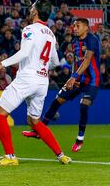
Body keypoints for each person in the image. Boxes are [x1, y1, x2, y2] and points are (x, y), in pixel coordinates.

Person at [0, 0, 71, 166]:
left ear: (36, 11)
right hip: (42, 81)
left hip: (27, 78)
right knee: (34, 121)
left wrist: (1, 64)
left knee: (0, 114)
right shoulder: (51, 34)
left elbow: (24, 53)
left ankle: (10, 157)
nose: (30, 9)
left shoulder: (29, 29)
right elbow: (54, 62)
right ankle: (61, 155)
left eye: (32, 7)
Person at [22, 18, 100, 152]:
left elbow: (87, 60)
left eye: (78, 26)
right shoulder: (75, 42)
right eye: (74, 26)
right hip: (77, 79)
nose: (74, 28)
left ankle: (79, 139)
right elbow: (76, 62)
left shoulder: (92, 39)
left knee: (83, 104)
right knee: (56, 101)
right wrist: (73, 77)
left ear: (86, 27)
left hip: (92, 80)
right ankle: (39, 131)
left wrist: (73, 77)